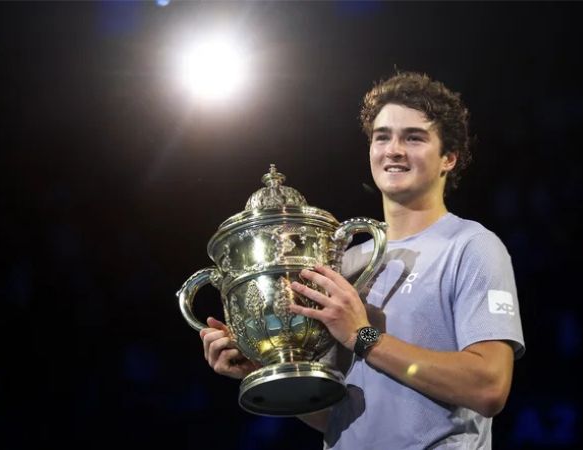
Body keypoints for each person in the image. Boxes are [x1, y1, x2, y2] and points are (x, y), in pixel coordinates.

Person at [199, 71, 525, 449]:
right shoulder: (345, 262)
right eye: (382, 137)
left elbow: (488, 387)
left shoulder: (471, 246)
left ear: (448, 158)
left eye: (414, 138)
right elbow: (334, 415)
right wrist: (261, 368)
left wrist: (364, 337)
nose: (394, 150)